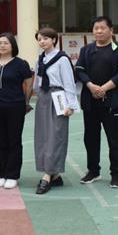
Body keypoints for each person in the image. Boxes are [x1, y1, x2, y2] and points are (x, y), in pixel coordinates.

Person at [74, 16, 118, 189]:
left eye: (102, 28)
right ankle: (93, 171)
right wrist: (91, 86)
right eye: (95, 28)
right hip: (90, 102)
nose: (98, 31)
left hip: (113, 103)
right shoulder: (86, 50)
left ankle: (116, 175)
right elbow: (79, 70)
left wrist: (104, 89)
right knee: (90, 138)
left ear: (111, 30)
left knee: (115, 140)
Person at [33, 27, 79, 195]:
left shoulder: (62, 59)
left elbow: (69, 83)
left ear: (54, 39)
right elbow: (37, 80)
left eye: (45, 38)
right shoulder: (40, 59)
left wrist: (71, 105)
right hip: (44, 98)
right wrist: (37, 94)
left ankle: (47, 175)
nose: (42, 41)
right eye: (39, 39)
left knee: (56, 136)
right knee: (42, 136)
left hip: (58, 97)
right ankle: (56, 175)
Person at [0, 32, 33, 190]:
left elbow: (28, 84)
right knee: (2, 141)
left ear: (13, 45)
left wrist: (25, 102)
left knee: (14, 141)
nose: (2, 45)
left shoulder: (21, 64)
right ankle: (3, 174)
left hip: (15, 106)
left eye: (6, 43)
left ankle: (12, 175)